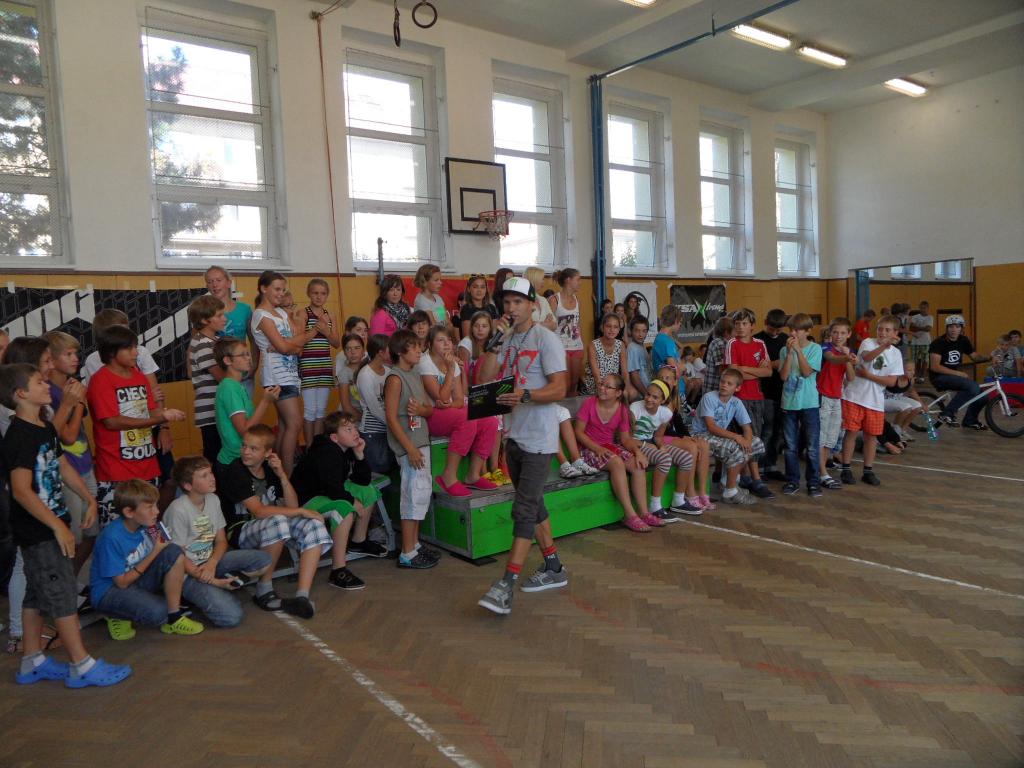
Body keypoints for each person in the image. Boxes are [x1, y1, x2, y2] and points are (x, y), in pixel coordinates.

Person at [0, 362, 131, 687]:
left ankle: (32, 660)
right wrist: (57, 527)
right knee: (62, 594)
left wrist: (88, 498)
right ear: (21, 393)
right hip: (38, 531)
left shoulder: (43, 426)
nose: (48, 385)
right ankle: (81, 664)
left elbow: (61, 465)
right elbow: (21, 490)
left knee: (34, 593)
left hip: (50, 523)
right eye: (39, 382)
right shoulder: (19, 435)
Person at [477, 276, 569, 615]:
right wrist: (494, 343)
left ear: (532, 305)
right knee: (534, 503)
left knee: (525, 510)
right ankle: (554, 567)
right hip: (513, 434)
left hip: (540, 439)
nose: (511, 308)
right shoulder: (506, 339)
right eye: (507, 302)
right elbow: (484, 379)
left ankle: (505, 586)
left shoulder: (546, 339)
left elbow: (560, 388)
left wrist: (526, 395)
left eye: (518, 302)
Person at [220, 425, 333, 619]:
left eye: (253, 448)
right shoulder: (235, 470)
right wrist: (301, 511)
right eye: (244, 446)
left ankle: (302, 596)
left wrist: (281, 475)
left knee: (314, 525)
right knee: (279, 520)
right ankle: (263, 589)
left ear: (267, 453)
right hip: (241, 531)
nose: (246, 451)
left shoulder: (269, 469)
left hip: (271, 527)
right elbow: (259, 511)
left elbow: (292, 504)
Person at [86, 326, 185, 527]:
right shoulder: (100, 380)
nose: (136, 353)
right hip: (116, 471)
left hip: (147, 466)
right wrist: (158, 419)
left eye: (136, 347)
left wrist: (165, 415)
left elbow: (150, 411)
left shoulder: (139, 376)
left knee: (148, 527)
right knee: (117, 531)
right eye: (129, 348)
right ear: (112, 352)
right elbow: (111, 421)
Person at [163, 457, 271, 627]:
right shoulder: (178, 510)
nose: (212, 478)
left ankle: (215, 584)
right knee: (231, 617)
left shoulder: (213, 499)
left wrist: (212, 564)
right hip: (187, 573)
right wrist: (212, 580)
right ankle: (190, 594)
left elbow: (221, 541)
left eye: (211, 473)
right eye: (204, 476)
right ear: (188, 486)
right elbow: (177, 557)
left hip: (209, 563)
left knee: (265, 560)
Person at [90, 479, 205, 640]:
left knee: (173, 551)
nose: (157, 511)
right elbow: (121, 583)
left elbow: (173, 552)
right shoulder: (111, 537)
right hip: (110, 591)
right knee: (159, 613)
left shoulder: (149, 524)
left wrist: (203, 575)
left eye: (156, 505)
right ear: (129, 512)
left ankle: (174, 617)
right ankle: (116, 614)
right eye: (150, 507)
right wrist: (155, 551)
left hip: (135, 580)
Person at [291, 411, 388, 591]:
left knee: (368, 491)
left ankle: (358, 541)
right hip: (306, 499)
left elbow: (362, 481)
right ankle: (338, 570)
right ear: (334, 437)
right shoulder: (326, 451)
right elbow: (332, 489)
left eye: (355, 428)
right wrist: (353, 501)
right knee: (343, 508)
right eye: (348, 429)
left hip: (328, 491)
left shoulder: (346, 448)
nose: (355, 432)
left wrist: (359, 455)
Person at [251, 271, 328, 474]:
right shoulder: (261, 315)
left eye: (283, 289)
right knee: (295, 424)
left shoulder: (282, 313)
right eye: (277, 289)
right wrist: (303, 337)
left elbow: (297, 346)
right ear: (263, 288)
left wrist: (286, 345)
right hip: (277, 377)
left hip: (291, 374)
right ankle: (287, 477)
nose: (281, 293)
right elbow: (287, 347)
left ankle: (280, 474)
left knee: (286, 426)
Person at [575, 373, 662, 532]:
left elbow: (625, 439)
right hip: (588, 449)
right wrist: (597, 448)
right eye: (602, 384)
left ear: (618, 393)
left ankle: (644, 513)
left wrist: (638, 452)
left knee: (637, 465)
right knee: (616, 462)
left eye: (608, 387)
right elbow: (579, 433)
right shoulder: (589, 403)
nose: (602, 388)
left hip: (608, 447)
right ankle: (630, 515)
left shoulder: (622, 410)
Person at [419, 326, 499, 496]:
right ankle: (448, 476)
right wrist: (450, 370)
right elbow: (441, 397)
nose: (446, 344)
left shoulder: (452, 362)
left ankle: (473, 475)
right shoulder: (425, 363)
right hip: (430, 414)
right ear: (430, 344)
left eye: (449, 340)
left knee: (490, 421)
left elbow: (458, 399)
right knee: (466, 418)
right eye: (441, 340)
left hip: (448, 411)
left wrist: (450, 405)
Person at [42, 331, 97, 579]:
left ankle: (74, 583)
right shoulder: (49, 392)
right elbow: (68, 436)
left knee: (92, 533)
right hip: (67, 472)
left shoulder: (70, 386)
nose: (75, 358)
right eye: (68, 354)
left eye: (76, 353)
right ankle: (66, 588)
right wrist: (78, 403)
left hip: (85, 465)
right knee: (73, 536)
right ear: (51, 360)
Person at [384, 330, 438, 570]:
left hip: (421, 440)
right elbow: (391, 418)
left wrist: (421, 411)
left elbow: (428, 409)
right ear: (400, 351)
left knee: (421, 494)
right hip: (410, 447)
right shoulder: (395, 379)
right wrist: (410, 449)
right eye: (414, 347)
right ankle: (406, 552)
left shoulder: (415, 373)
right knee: (411, 496)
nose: (419, 351)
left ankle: (414, 544)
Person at [840, 315, 903, 486]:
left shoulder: (896, 354)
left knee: (871, 437)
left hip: (875, 401)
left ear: (895, 333)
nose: (882, 332)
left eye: (887, 330)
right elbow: (867, 358)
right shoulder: (868, 342)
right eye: (880, 329)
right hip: (855, 396)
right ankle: (846, 468)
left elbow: (892, 381)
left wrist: (868, 375)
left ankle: (868, 470)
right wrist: (883, 346)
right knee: (851, 433)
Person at [689, 368, 764, 505]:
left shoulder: (736, 402)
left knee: (756, 442)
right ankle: (730, 492)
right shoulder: (709, 397)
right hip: (700, 435)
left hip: (719, 436)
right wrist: (737, 437)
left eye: (729, 383)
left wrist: (747, 441)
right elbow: (711, 427)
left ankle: (727, 483)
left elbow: (747, 428)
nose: (724, 385)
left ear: (737, 388)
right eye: (722, 382)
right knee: (735, 446)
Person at [630, 380, 701, 520]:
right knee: (665, 459)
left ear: (663, 400)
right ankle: (655, 506)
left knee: (686, 458)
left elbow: (657, 436)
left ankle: (678, 501)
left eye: (655, 397)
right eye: (648, 394)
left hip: (651, 443)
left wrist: (662, 446)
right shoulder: (634, 408)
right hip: (635, 445)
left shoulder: (665, 413)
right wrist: (644, 445)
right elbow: (626, 438)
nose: (649, 399)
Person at [724, 309, 773, 499]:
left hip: (757, 397)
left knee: (756, 437)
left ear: (752, 326)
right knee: (746, 437)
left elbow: (768, 372)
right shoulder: (732, 343)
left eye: (744, 323)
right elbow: (734, 375)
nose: (740, 327)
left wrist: (744, 369)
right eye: (737, 324)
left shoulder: (760, 344)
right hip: (739, 398)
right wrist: (753, 370)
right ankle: (755, 477)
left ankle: (746, 477)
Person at [213, 336, 280, 476]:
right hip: (233, 462)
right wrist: (265, 402)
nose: (248, 358)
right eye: (242, 355)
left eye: (248, 354)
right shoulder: (230, 388)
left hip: (241, 460)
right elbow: (244, 431)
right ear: (227, 360)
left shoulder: (236, 386)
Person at [777, 313, 823, 497]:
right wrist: (789, 353)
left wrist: (798, 351)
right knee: (790, 446)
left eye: (797, 330)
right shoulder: (784, 350)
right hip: (789, 403)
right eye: (791, 330)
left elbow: (806, 372)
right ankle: (792, 480)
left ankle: (813, 482)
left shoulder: (815, 349)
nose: (793, 333)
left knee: (812, 446)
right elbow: (783, 376)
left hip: (809, 403)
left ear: (808, 331)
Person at [928, 315, 990, 430]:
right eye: (951, 326)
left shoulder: (963, 340)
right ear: (946, 328)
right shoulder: (938, 343)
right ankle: (947, 414)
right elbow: (935, 367)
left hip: (952, 376)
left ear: (961, 328)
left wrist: (990, 358)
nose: (954, 329)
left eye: (957, 326)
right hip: (939, 377)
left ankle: (970, 421)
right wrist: (958, 373)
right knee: (972, 387)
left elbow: (975, 357)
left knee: (983, 396)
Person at [300, 278, 341, 445]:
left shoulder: (330, 315)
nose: (319, 296)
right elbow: (299, 340)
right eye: (315, 293)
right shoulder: (303, 313)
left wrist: (326, 331)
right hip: (308, 367)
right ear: (309, 294)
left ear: (327, 295)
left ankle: (317, 447)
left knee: (321, 411)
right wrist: (316, 328)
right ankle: (309, 447)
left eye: (323, 293)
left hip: (324, 367)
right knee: (310, 411)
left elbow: (336, 343)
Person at [187, 295, 228, 467]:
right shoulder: (203, 343)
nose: (224, 318)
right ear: (205, 320)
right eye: (219, 315)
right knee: (215, 455)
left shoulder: (214, 341)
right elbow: (221, 378)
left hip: (219, 407)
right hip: (211, 410)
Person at [205, 266, 258, 395]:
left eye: (218, 280)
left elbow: (253, 340)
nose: (215, 285)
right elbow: (196, 341)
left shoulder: (245, 309)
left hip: (242, 373)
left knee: (244, 406)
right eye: (210, 281)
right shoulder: (205, 313)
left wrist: (254, 365)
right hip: (217, 374)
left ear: (228, 283)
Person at [817, 318, 856, 490]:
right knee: (821, 437)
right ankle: (822, 473)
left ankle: (822, 470)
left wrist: (848, 358)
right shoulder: (825, 347)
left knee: (830, 439)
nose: (838, 336)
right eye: (835, 332)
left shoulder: (848, 352)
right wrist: (847, 357)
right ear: (830, 333)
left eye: (842, 333)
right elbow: (832, 359)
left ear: (849, 334)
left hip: (836, 398)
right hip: (822, 396)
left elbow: (851, 377)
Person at [754, 308, 789, 481]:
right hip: (765, 391)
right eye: (771, 329)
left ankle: (771, 465)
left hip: (783, 392)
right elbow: (758, 365)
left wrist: (776, 364)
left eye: (778, 330)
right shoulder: (758, 340)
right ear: (765, 323)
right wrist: (776, 364)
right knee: (766, 430)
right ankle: (759, 466)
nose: (775, 333)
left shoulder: (786, 340)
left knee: (778, 431)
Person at [356, 334, 395, 474]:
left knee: (390, 469)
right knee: (377, 471)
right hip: (372, 432)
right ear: (380, 352)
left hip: (388, 429)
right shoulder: (365, 375)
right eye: (389, 349)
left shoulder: (389, 371)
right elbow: (374, 408)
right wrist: (393, 423)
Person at [550, 268, 584, 396]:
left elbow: (578, 324)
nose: (580, 282)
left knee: (575, 383)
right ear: (568, 280)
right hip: (560, 347)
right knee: (566, 383)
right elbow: (548, 325)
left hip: (576, 345)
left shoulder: (577, 300)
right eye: (578, 279)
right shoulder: (554, 300)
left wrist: (581, 342)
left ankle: (571, 407)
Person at [580, 313, 630, 398]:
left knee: (629, 394)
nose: (612, 330)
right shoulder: (593, 345)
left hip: (613, 385)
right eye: (608, 326)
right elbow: (597, 376)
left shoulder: (620, 345)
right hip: (596, 386)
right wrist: (606, 390)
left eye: (615, 327)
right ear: (602, 327)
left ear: (619, 329)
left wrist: (624, 389)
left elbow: (625, 373)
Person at [335, 333, 366, 420]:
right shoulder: (344, 373)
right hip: (352, 418)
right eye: (348, 349)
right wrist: (365, 419)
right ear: (344, 353)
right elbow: (346, 406)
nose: (353, 352)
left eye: (357, 348)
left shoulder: (368, 369)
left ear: (364, 351)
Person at [460, 274, 499, 339]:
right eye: (475, 287)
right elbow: (467, 337)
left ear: (486, 289)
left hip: (489, 343)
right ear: (469, 289)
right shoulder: (466, 309)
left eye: (482, 287)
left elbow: (494, 333)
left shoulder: (491, 308)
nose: (479, 290)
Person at [702, 316, 733, 396]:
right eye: (735, 330)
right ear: (726, 332)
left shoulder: (721, 342)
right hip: (714, 391)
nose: (737, 333)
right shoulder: (720, 343)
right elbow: (722, 369)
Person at [652, 305, 683, 375]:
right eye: (680, 321)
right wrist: (682, 368)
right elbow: (675, 373)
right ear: (676, 320)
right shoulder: (666, 341)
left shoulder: (662, 338)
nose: (680, 325)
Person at [626, 316, 653, 395]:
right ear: (631, 331)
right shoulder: (632, 348)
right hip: (642, 393)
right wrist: (645, 394)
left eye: (644, 331)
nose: (640, 334)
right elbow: (634, 376)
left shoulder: (641, 346)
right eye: (637, 331)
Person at [524, 267, 557, 332]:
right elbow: (523, 326)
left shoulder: (543, 300)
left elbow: (555, 324)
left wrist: (537, 324)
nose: (543, 282)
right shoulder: (522, 300)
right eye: (542, 279)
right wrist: (545, 324)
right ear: (534, 280)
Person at [909, 301, 934, 380]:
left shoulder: (930, 317)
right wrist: (923, 328)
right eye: (921, 308)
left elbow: (928, 329)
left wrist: (917, 327)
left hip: (926, 342)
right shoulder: (915, 317)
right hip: (915, 342)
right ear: (919, 308)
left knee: (925, 360)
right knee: (915, 360)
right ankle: (916, 375)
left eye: (924, 308)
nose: (923, 309)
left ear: (928, 308)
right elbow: (911, 328)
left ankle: (922, 376)